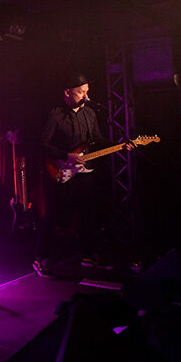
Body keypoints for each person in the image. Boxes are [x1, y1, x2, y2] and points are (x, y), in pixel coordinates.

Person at [34, 73, 130, 279]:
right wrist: (65, 155)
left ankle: (88, 254)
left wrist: (119, 145)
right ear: (67, 93)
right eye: (80, 92)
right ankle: (41, 259)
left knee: (89, 213)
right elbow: (41, 143)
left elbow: (97, 139)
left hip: (82, 172)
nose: (86, 96)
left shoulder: (89, 114)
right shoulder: (55, 115)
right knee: (53, 215)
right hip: (58, 171)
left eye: (87, 91)